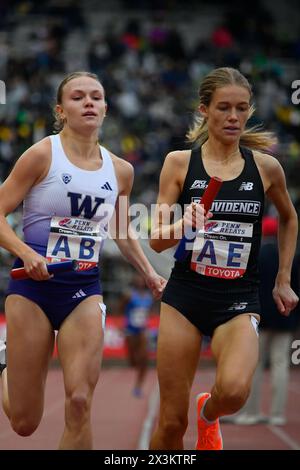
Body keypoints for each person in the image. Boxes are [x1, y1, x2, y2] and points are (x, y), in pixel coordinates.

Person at [0, 71, 165, 450]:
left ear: (106, 108)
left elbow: (122, 231)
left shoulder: (120, 170)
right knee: (25, 423)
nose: (88, 102)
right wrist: (26, 252)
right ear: (61, 109)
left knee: (79, 402)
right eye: (78, 97)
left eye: (96, 96)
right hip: (32, 291)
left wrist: (151, 274)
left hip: (83, 291)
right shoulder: (43, 154)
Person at [149, 67, 299, 450]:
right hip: (185, 296)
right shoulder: (179, 163)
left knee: (233, 392)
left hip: (238, 298)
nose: (233, 117)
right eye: (224, 108)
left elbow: (288, 217)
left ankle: (209, 413)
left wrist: (283, 277)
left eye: (242, 108)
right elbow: (156, 240)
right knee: (169, 423)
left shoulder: (265, 167)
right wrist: (184, 223)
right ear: (205, 110)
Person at [231, 215, 299, 426]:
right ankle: (277, 414)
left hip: (259, 316)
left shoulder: (255, 254)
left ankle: (251, 412)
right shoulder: (292, 258)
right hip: (286, 316)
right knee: (280, 364)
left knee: (255, 365)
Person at [120, 273, 153, 398]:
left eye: (141, 279)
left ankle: (138, 387)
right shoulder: (128, 295)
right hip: (130, 330)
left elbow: (147, 312)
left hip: (142, 330)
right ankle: (135, 364)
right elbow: (120, 307)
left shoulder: (149, 296)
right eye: (137, 279)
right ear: (134, 281)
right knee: (133, 362)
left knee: (144, 360)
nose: (140, 281)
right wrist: (121, 322)